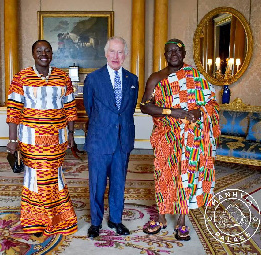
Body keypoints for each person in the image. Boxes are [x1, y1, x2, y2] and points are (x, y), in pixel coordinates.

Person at [140, 39, 220, 240]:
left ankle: (182, 221)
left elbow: (211, 103)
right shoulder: (156, 78)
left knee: (186, 177)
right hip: (165, 136)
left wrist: (198, 111)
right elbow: (145, 106)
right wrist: (172, 112)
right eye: (169, 51)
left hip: (190, 138)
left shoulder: (195, 76)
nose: (173, 54)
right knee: (164, 176)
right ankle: (161, 218)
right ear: (164, 55)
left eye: (177, 50)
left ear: (184, 54)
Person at [6, 40, 78, 237]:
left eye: (47, 50)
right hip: (31, 140)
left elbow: (70, 109)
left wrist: (72, 134)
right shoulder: (22, 77)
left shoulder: (63, 77)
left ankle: (59, 218)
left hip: (57, 139)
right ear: (33, 54)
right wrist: (13, 140)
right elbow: (13, 110)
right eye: (39, 51)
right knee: (34, 178)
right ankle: (35, 221)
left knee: (54, 176)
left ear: (52, 54)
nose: (43, 54)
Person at [83, 36, 139, 238]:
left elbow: (129, 109)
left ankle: (116, 220)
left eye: (120, 52)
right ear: (106, 53)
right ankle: (96, 222)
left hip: (122, 140)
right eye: (112, 51)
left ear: (125, 55)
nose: (116, 56)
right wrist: (104, 125)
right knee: (97, 184)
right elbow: (90, 108)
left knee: (118, 183)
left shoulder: (132, 80)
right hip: (99, 140)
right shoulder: (93, 78)